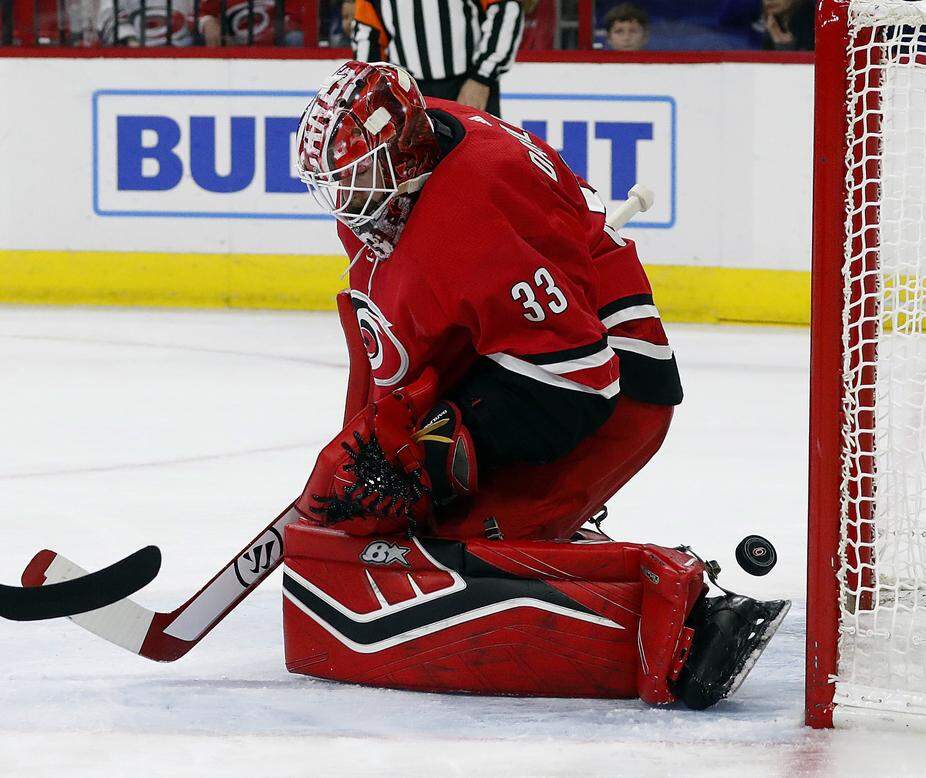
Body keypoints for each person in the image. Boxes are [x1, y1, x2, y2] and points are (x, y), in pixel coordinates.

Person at [291, 60, 789, 709]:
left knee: (447, 547)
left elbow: (578, 381)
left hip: (610, 393)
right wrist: (374, 437)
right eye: (338, 185)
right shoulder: (411, 167)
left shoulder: (471, 207)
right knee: (396, 512)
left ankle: (685, 613)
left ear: (405, 157)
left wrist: (441, 453)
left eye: (359, 180)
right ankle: (557, 539)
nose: (348, 202)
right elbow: (409, 329)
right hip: (520, 356)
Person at [349, 0, 534, 117]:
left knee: (478, 165)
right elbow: (368, 33)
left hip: (469, 86)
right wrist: (373, 90)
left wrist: (482, 78)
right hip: (407, 94)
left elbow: (506, 10)